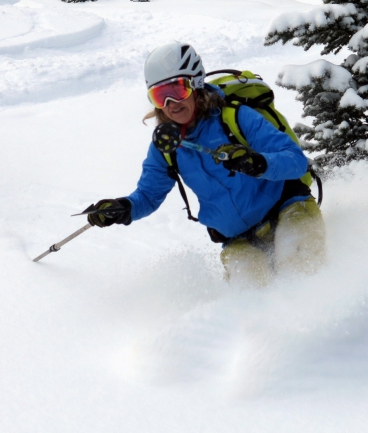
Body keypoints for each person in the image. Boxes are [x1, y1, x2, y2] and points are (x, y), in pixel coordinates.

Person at [85, 41, 326, 286]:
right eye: (160, 96)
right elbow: (148, 196)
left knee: (300, 275)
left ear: (196, 84)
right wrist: (123, 208)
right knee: (253, 297)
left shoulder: (236, 118)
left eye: (177, 90)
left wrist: (258, 163)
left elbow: (295, 160)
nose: (171, 103)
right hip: (238, 239)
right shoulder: (166, 147)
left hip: (288, 209)